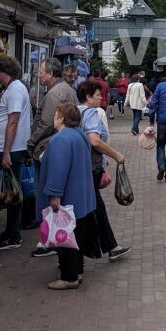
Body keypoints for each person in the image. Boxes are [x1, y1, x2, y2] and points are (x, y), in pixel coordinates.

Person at [38, 102, 100, 289]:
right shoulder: (79, 135)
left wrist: (54, 195)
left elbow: (58, 170)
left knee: (64, 237)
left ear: (62, 118)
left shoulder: (60, 139)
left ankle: (69, 277)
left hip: (68, 199)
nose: (54, 118)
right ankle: (77, 272)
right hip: (81, 197)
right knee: (77, 238)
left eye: (56, 114)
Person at [28, 57, 77, 257]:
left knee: (45, 192)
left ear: (49, 74)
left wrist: (30, 143)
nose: (39, 75)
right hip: (62, 145)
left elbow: (46, 124)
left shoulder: (53, 94)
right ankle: (58, 234)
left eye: (41, 72)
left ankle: (49, 239)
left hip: (48, 147)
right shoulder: (68, 90)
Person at [77, 81, 132, 261]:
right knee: (91, 209)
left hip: (80, 167)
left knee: (95, 207)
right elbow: (95, 141)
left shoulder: (74, 112)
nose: (102, 98)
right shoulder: (91, 113)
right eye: (98, 95)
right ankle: (83, 250)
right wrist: (116, 155)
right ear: (88, 97)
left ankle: (109, 245)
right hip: (91, 168)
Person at [0, 57, 32, 251]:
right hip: (12, 148)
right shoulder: (16, 88)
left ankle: (13, 235)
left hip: (12, 150)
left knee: (12, 192)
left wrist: (6, 151)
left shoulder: (14, 90)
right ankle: (11, 232)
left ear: (2, 70)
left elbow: (13, 121)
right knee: (12, 190)